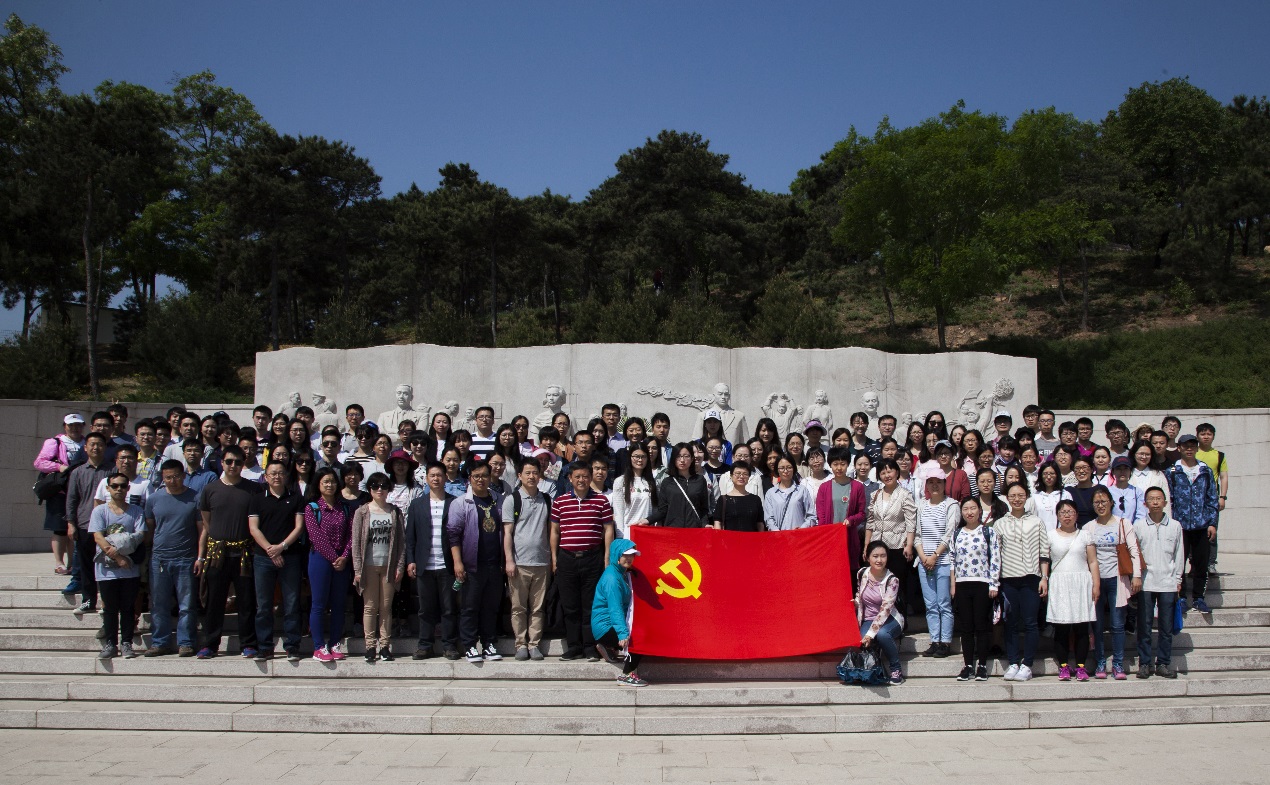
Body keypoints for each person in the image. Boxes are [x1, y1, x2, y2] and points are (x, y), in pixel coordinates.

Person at [195, 445, 262, 659]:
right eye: (229, 461)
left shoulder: (253, 489)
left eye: (238, 462)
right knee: (214, 601)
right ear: (222, 463)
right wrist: (202, 554)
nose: (233, 465)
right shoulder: (210, 489)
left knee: (246, 601)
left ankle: (248, 643)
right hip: (218, 554)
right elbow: (207, 524)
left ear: (243, 464)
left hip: (244, 553)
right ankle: (210, 644)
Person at [551, 461, 616, 661]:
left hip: (592, 558)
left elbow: (608, 529)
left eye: (585, 476)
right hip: (567, 559)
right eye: (577, 476)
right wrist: (554, 558)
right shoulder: (560, 501)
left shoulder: (601, 501)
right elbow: (554, 531)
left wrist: (606, 557)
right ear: (570, 479)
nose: (581, 480)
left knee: (590, 605)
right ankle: (574, 646)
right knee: (570, 606)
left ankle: (590, 647)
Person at [246, 460, 306, 662]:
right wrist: (271, 550)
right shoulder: (257, 499)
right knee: (264, 605)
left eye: (280, 473)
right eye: (272, 473)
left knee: (292, 603)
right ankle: (264, 647)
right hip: (263, 558)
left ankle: (292, 646)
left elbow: (299, 527)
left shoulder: (296, 498)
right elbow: (253, 528)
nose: (276, 477)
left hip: (290, 556)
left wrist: (282, 547)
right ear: (266, 477)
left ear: (286, 476)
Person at [1083, 484, 1142, 679]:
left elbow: (1134, 550)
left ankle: (1118, 664)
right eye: (1096, 502)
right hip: (1096, 581)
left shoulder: (1123, 524)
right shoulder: (1089, 527)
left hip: (1118, 579)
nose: (1100, 505)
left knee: (1117, 624)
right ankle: (1100, 663)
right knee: (1098, 625)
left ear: (1111, 502)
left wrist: (1137, 575)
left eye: (1104, 501)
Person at [143, 460, 201, 657]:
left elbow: (202, 529)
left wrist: (200, 556)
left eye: (176, 476)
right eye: (168, 477)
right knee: (159, 604)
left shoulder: (195, 497)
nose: (172, 480)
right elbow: (150, 529)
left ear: (183, 475)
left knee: (187, 604)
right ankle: (160, 642)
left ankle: (186, 642)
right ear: (163, 478)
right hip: (159, 558)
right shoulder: (154, 499)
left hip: (186, 558)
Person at [447, 461, 504, 663]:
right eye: (476, 476)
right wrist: (458, 562)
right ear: (469, 479)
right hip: (472, 564)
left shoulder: (499, 500)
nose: (481, 480)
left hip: (495, 564)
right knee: (470, 607)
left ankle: (489, 643)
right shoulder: (461, 503)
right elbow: (453, 535)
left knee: (491, 607)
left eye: (484, 475)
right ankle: (470, 645)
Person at [996, 482, 1050, 682]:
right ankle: (1013, 662)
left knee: (1030, 623)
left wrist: (1044, 577)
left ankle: (1027, 664)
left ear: (1026, 497)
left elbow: (1044, 551)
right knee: (1010, 623)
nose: (1017, 499)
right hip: (1008, 578)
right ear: (1007, 498)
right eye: (1013, 496)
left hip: (1031, 578)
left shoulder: (1036, 522)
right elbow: (996, 554)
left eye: (1020, 495)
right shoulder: (1000, 523)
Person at [406, 462, 459, 660]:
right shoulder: (417, 504)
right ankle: (425, 645)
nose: (436, 479)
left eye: (439, 475)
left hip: (447, 565)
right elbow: (410, 536)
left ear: (445, 478)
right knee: (425, 609)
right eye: (432, 475)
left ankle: (449, 645)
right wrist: (411, 560)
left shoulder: (454, 503)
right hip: (424, 564)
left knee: (449, 608)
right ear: (426, 478)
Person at [352, 472, 407, 663]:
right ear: (369, 489)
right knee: (370, 607)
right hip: (368, 565)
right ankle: (370, 646)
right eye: (375, 486)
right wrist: (357, 569)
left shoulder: (395, 512)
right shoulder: (362, 512)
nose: (380, 490)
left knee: (385, 607)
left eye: (383, 486)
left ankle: (384, 646)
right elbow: (356, 543)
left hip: (388, 566)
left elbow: (401, 543)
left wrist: (400, 566)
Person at [90, 473, 145, 659]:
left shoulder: (136, 511)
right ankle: (110, 644)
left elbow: (139, 536)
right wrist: (116, 554)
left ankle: (127, 643)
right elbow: (98, 536)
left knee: (128, 608)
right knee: (110, 608)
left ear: (128, 488)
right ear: (108, 488)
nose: (119, 489)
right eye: (114, 486)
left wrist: (120, 552)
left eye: (122, 486)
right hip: (106, 571)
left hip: (129, 570)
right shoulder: (100, 511)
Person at [502, 460, 553, 660]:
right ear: (519, 476)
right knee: (518, 607)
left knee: (538, 608)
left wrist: (552, 559)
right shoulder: (512, 500)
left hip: (542, 562)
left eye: (535, 473)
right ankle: (520, 644)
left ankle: (534, 644)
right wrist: (509, 560)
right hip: (519, 563)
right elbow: (507, 533)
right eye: (527, 473)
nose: (531, 476)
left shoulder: (546, 499)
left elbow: (551, 531)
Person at [1133, 487, 1185, 679]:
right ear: (1145, 503)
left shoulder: (1175, 526)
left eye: (1158, 499)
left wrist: (1178, 579)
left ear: (1165, 502)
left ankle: (1163, 663)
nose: (1155, 502)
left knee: (1165, 627)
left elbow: (1179, 554)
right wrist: (1136, 576)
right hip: (1146, 582)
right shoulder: (1138, 526)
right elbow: (1134, 554)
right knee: (1144, 627)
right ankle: (1145, 664)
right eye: (1151, 499)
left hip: (1168, 582)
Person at [948, 496, 1000, 682]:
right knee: (966, 627)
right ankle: (968, 665)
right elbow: (952, 560)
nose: (969, 512)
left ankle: (983, 665)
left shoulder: (988, 532)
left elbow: (995, 558)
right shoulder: (957, 533)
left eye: (973, 508)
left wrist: (994, 583)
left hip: (982, 583)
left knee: (981, 626)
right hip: (962, 584)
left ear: (979, 510)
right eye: (965, 509)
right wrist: (953, 585)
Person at [1047, 500, 1099, 681]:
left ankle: (1081, 667)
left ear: (1077, 514)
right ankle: (1063, 666)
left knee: (1081, 628)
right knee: (1061, 628)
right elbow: (1045, 561)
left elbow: (1093, 561)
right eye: (1062, 512)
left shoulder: (1085, 535)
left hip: (1081, 583)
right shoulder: (1050, 535)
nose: (1067, 515)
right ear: (1057, 515)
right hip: (1060, 583)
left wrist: (1096, 585)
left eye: (1070, 511)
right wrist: (1044, 579)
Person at [1166, 434, 1219, 614]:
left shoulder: (1205, 471)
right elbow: (1169, 500)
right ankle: (1181, 597)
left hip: (1201, 525)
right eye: (1185, 446)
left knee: (1201, 564)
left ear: (1197, 448)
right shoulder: (1172, 471)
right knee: (1178, 564)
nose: (1189, 449)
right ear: (1179, 448)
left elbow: (1212, 498)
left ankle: (1198, 598)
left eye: (1192, 446)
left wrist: (1212, 523)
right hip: (1179, 526)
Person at [305, 468, 353, 662]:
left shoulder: (345, 508)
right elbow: (316, 537)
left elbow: (351, 534)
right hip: (320, 559)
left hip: (342, 560)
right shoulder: (312, 508)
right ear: (318, 484)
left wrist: (345, 556)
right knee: (318, 603)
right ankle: (318, 646)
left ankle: (335, 643)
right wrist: (334, 558)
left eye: (332, 481)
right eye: (325, 481)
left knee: (339, 604)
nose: (329, 485)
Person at [66, 433, 114, 615]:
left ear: (105, 447)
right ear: (85, 448)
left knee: (107, 564)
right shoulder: (77, 472)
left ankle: (107, 602)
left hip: (108, 527)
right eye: (92, 444)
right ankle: (88, 600)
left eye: (100, 444)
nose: (96, 448)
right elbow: (72, 499)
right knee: (86, 565)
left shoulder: (113, 470)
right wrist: (71, 523)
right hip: (85, 524)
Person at [35, 414, 86, 577]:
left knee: (76, 529)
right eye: (71, 425)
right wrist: (60, 467)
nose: (75, 428)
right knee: (60, 528)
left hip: (81, 491)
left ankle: (72, 563)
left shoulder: (87, 442)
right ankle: (59, 563)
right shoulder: (55, 442)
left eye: (78, 425)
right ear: (65, 426)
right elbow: (40, 462)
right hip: (60, 491)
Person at [592, 538, 647, 686]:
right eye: (625, 555)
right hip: (605, 626)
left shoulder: (620, 572)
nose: (629, 558)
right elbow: (614, 608)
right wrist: (622, 633)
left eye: (632, 555)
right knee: (639, 638)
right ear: (617, 555)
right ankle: (626, 675)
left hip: (610, 624)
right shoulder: (612, 579)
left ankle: (608, 647)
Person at [915, 475, 958, 658]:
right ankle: (934, 640)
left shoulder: (951, 505)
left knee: (944, 603)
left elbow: (950, 533)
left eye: (938, 482)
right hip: (924, 562)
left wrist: (935, 555)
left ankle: (945, 642)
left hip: (943, 561)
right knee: (931, 604)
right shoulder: (920, 505)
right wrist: (924, 557)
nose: (934, 486)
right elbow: (916, 534)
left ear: (944, 484)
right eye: (931, 482)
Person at [864, 459, 916, 601]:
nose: (887, 475)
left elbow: (911, 522)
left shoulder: (905, 494)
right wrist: (867, 545)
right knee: (878, 584)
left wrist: (909, 545)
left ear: (897, 472)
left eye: (889, 471)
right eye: (883, 473)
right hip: (877, 546)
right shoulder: (875, 495)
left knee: (896, 585)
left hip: (897, 546)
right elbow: (870, 522)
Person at [855, 541, 905, 685]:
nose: (879, 560)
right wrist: (856, 602)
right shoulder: (862, 573)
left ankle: (896, 669)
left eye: (883, 556)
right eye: (875, 556)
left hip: (890, 619)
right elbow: (859, 593)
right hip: (868, 618)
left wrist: (871, 634)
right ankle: (874, 669)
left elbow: (885, 610)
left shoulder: (892, 580)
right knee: (862, 639)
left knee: (882, 635)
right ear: (867, 557)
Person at [815, 447, 868, 568]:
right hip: (830, 538)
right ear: (830, 465)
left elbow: (861, 513)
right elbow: (821, 515)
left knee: (849, 569)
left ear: (848, 464)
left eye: (842, 464)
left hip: (849, 537)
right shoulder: (824, 488)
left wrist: (851, 520)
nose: (839, 468)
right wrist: (824, 535)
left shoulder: (857, 487)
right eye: (835, 464)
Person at [1194, 423, 1229, 576]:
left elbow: (1223, 477)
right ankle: (1194, 564)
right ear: (1197, 436)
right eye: (1203, 434)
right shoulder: (1193, 453)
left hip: (1211, 499)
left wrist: (1222, 497)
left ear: (1213, 436)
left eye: (1209, 434)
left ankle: (1211, 563)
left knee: (1212, 531)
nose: (1206, 437)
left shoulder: (1219, 455)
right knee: (1193, 532)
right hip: (1194, 499)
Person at [648, 443, 710, 528]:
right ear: (673, 459)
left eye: (686, 456)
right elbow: (662, 511)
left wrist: (705, 524)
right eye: (678, 456)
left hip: (694, 530)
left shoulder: (700, 480)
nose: (682, 460)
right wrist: (647, 520)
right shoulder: (667, 482)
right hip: (673, 530)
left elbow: (704, 509)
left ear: (692, 459)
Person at [611, 443, 657, 538]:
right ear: (630, 457)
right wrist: (621, 537)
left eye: (643, 456)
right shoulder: (620, 481)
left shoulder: (651, 482)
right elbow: (618, 512)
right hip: (627, 533)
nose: (640, 460)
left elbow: (653, 511)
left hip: (647, 534)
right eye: (636, 456)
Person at [764, 455, 817, 530]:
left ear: (793, 469)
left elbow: (811, 516)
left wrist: (802, 528)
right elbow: (769, 519)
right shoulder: (770, 493)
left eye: (789, 467)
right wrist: (777, 532)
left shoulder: (802, 490)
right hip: (778, 536)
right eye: (782, 468)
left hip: (799, 535)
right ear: (777, 470)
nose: (785, 471)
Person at [712, 461, 765, 532]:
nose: (741, 476)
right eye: (738, 473)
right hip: (729, 538)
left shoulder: (756, 499)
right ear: (731, 476)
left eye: (745, 474)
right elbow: (717, 523)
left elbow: (760, 523)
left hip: (751, 538)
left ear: (749, 477)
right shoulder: (723, 499)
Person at [1129, 440, 1170, 514]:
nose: (1144, 457)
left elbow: (1166, 500)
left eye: (1147, 454)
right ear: (1134, 454)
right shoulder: (1127, 474)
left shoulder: (1158, 475)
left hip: (1154, 517)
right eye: (1141, 454)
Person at [1032, 463, 1070, 530]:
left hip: (1060, 534)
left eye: (1052, 473)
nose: (1049, 477)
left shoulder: (1065, 495)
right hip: (1040, 534)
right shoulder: (1035, 496)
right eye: (1045, 474)